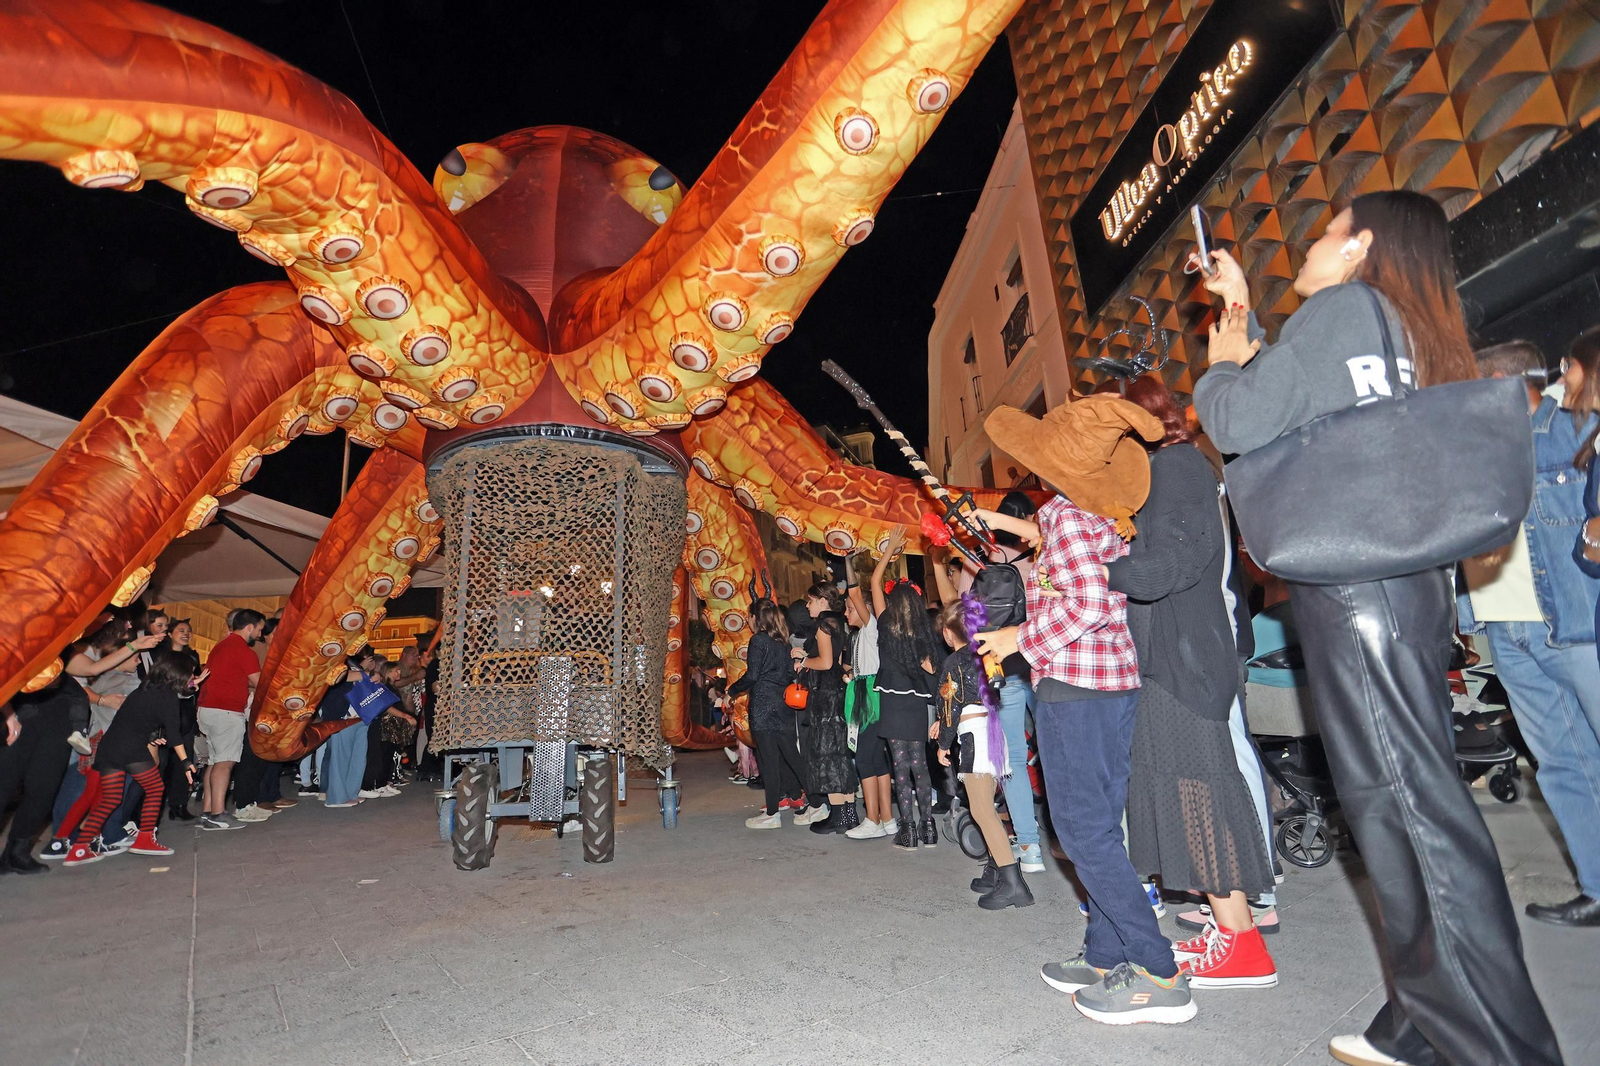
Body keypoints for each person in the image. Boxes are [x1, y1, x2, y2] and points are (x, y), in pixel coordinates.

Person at [1191, 189, 1560, 1066]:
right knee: (1412, 801)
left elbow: (1241, 419)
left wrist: (1218, 364)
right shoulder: (1403, 325)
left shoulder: (1342, 305)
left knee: (1406, 811)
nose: (1311, 251)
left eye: (1323, 234)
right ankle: (1421, 1026)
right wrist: (1242, 312)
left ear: (1358, 248)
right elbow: (1313, 409)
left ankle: (1502, 1047)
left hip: (1355, 593)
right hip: (1407, 588)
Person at [977, 392, 1195, 1026]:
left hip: (1078, 689)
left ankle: (1158, 971)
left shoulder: (1073, 519)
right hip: (1105, 687)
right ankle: (1105, 953)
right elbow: (1080, 584)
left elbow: (1090, 603)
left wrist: (1021, 638)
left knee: (1081, 831)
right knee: (1095, 825)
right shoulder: (1093, 517)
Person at [1113, 374, 1277, 987]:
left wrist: (1101, 569)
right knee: (1185, 794)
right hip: (1168, 658)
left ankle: (1243, 943)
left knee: (1201, 791)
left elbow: (1171, 565)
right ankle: (1229, 927)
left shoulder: (1178, 467)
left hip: (1187, 659)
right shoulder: (1161, 472)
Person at [1459, 336, 1600, 929]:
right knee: (1563, 764)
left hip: (1572, 626)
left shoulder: (1569, 432)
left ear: (1502, 382)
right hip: (1506, 632)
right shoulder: (1474, 449)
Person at [930, 491, 1045, 872]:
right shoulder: (1042, 552)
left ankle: (1029, 847)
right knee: (1055, 753)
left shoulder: (978, 560)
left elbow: (956, 610)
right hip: (1044, 663)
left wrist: (937, 563)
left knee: (1011, 759)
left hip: (1000, 669)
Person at [935, 599, 1032, 909]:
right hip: (993, 732)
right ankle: (995, 871)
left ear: (950, 633)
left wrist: (942, 743)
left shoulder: (954, 662)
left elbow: (950, 708)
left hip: (975, 737)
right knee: (987, 806)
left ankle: (1014, 884)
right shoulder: (988, 655)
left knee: (982, 812)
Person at [64, 650, 198, 866]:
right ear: (179, 673)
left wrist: (153, 736)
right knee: (155, 789)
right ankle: (145, 840)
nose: (191, 678)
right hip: (131, 748)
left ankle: (79, 848)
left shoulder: (144, 689)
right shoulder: (168, 696)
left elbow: (136, 719)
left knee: (110, 799)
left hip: (110, 746)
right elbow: (174, 734)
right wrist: (185, 762)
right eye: (190, 674)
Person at [873, 566, 941, 851]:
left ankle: (908, 830)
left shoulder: (885, 623)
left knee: (899, 766)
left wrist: (888, 552)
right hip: (915, 700)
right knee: (920, 765)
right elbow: (933, 672)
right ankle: (928, 828)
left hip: (892, 699)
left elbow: (874, 581)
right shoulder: (922, 633)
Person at [0, 664, 90, 874]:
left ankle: (17, 853)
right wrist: (7, 712)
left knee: (43, 789)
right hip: (15, 712)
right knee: (3, 786)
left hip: (56, 713)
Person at [791, 583, 859, 834]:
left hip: (825, 698)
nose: (808, 605)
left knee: (827, 754)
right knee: (841, 754)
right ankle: (849, 813)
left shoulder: (822, 625)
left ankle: (838, 815)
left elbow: (827, 662)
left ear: (822, 601)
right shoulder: (840, 623)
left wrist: (802, 661)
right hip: (837, 693)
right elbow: (839, 662)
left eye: (810, 601)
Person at [733, 601, 806, 828]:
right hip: (782, 704)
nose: (747, 620)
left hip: (763, 704)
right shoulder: (783, 643)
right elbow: (787, 674)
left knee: (769, 759)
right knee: (791, 756)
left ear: (756, 618)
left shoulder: (758, 640)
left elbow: (752, 675)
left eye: (749, 616)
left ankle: (772, 813)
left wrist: (731, 691)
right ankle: (815, 801)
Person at [195, 608, 265, 830]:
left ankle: (207, 811)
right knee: (225, 763)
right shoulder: (242, 650)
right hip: (226, 712)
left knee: (215, 762)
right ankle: (218, 814)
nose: (260, 635)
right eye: (260, 629)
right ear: (249, 627)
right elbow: (260, 682)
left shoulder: (221, 645)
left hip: (208, 710)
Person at [843, 546, 893, 839]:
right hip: (868, 691)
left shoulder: (871, 626)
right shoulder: (864, 633)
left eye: (850, 610)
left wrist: (848, 562)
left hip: (869, 696)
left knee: (864, 759)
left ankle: (873, 820)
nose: (847, 612)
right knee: (876, 759)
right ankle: (887, 819)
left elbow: (855, 594)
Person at [162, 619, 202, 822]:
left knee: (183, 761)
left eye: (189, 630)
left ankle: (179, 804)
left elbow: (196, 686)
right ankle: (158, 804)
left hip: (186, 713)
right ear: (170, 634)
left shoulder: (192, 655)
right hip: (166, 711)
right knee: (162, 762)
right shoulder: (162, 656)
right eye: (181, 630)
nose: (186, 633)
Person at [319, 658, 368, 808]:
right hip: (341, 714)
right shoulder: (331, 658)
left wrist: (367, 674)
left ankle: (351, 792)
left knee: (357, 757)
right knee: (340, 756)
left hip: (359, 713)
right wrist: (363, 674)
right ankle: (336, 797)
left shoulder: (350, 661)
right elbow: (335, 676)